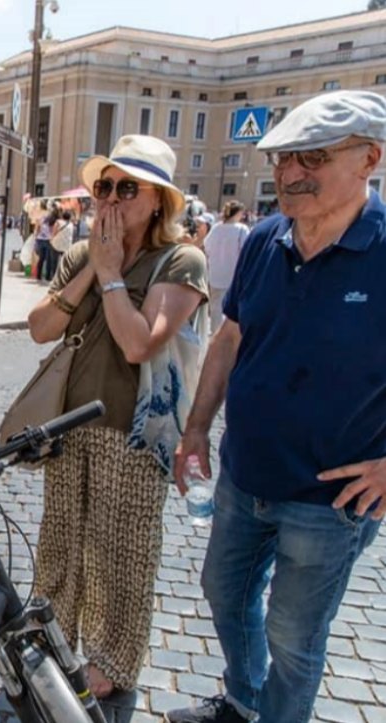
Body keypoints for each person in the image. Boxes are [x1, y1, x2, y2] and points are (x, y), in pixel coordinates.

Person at [165, 91, 386, 723]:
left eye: (313, 158)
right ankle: (242, 699)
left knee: (295, 638)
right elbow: (229, 338)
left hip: (330, 503)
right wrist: (199, 427)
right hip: (244, 476)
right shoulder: (265, 240)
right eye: (285, 158)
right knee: (224, 592)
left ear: (368, 157)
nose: (291, 174)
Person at [26, 134, 208, 700]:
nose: (111, 197)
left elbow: (138, 345)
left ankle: (112, 661)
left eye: (127, 187)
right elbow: (39, 328)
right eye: (104, 185)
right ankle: (51, 641)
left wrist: (111, 277)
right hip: (68, 423)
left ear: (159, 200)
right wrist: (94, 265)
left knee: (121, 551)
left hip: (131, 431)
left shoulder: (179, 261)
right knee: (59, 540)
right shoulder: (82, 253)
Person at [201, 201, 249, 332]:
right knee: (233, 307)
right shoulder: (241, 229)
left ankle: (215, 332)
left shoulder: (216, 228)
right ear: (238, 213)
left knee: (216, 306)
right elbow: (246, 251)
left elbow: (207, 246)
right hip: (233, 274)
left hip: (215, 273)